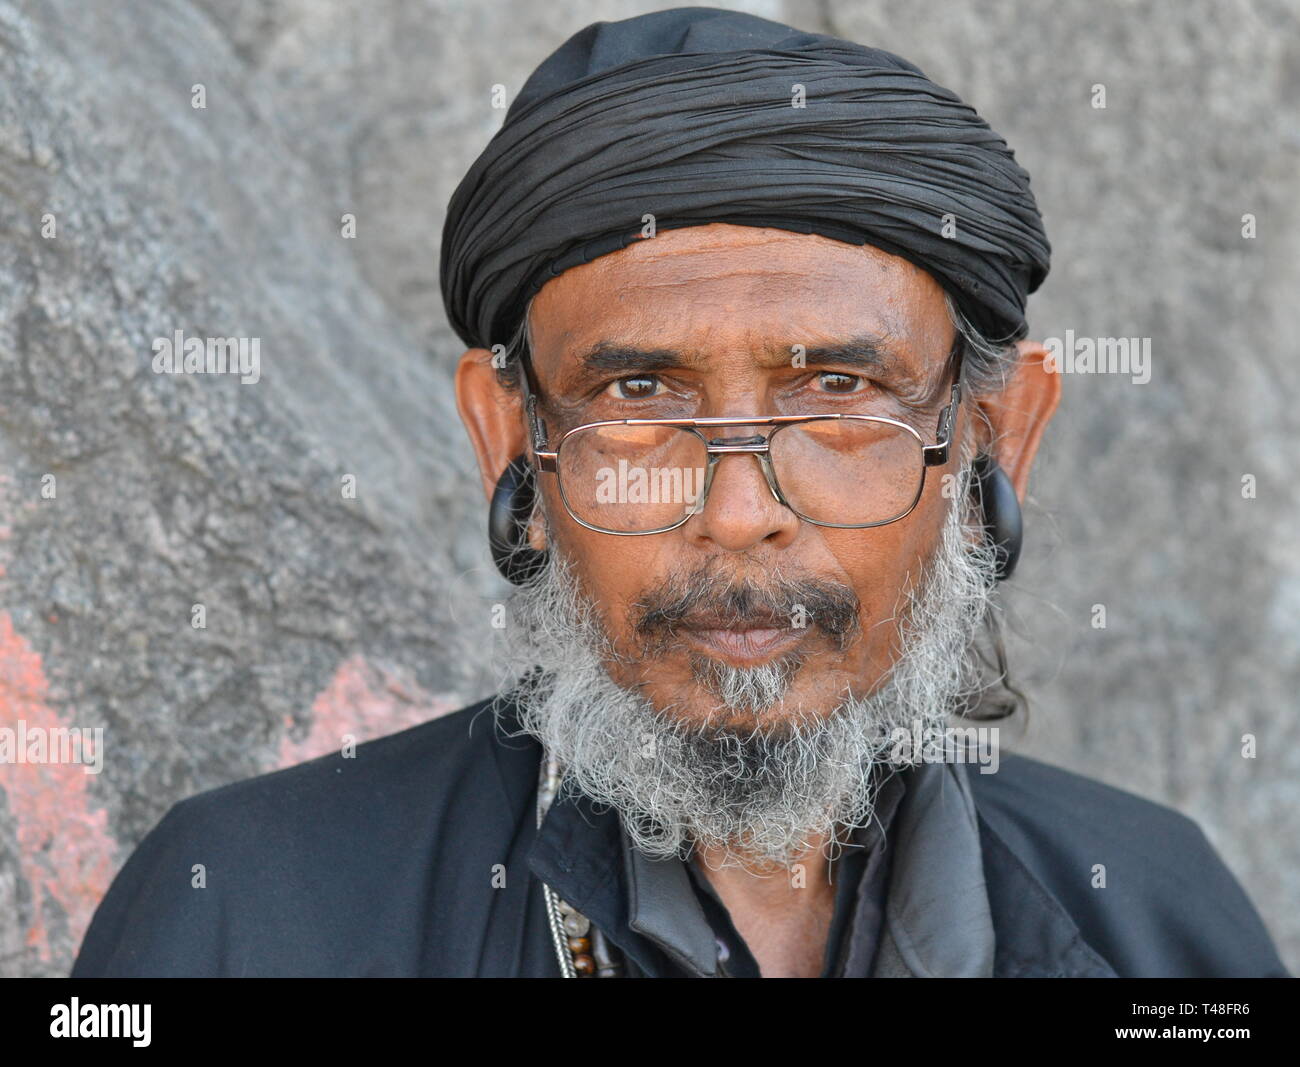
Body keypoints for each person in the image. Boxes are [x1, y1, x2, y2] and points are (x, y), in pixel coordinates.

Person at [72, 6, 1288, 978]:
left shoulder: (1150, 911)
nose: (738, 509)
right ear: (514, 445)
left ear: (987, 440)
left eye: (834, 393)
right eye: (641, 394)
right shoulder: (248, 912)